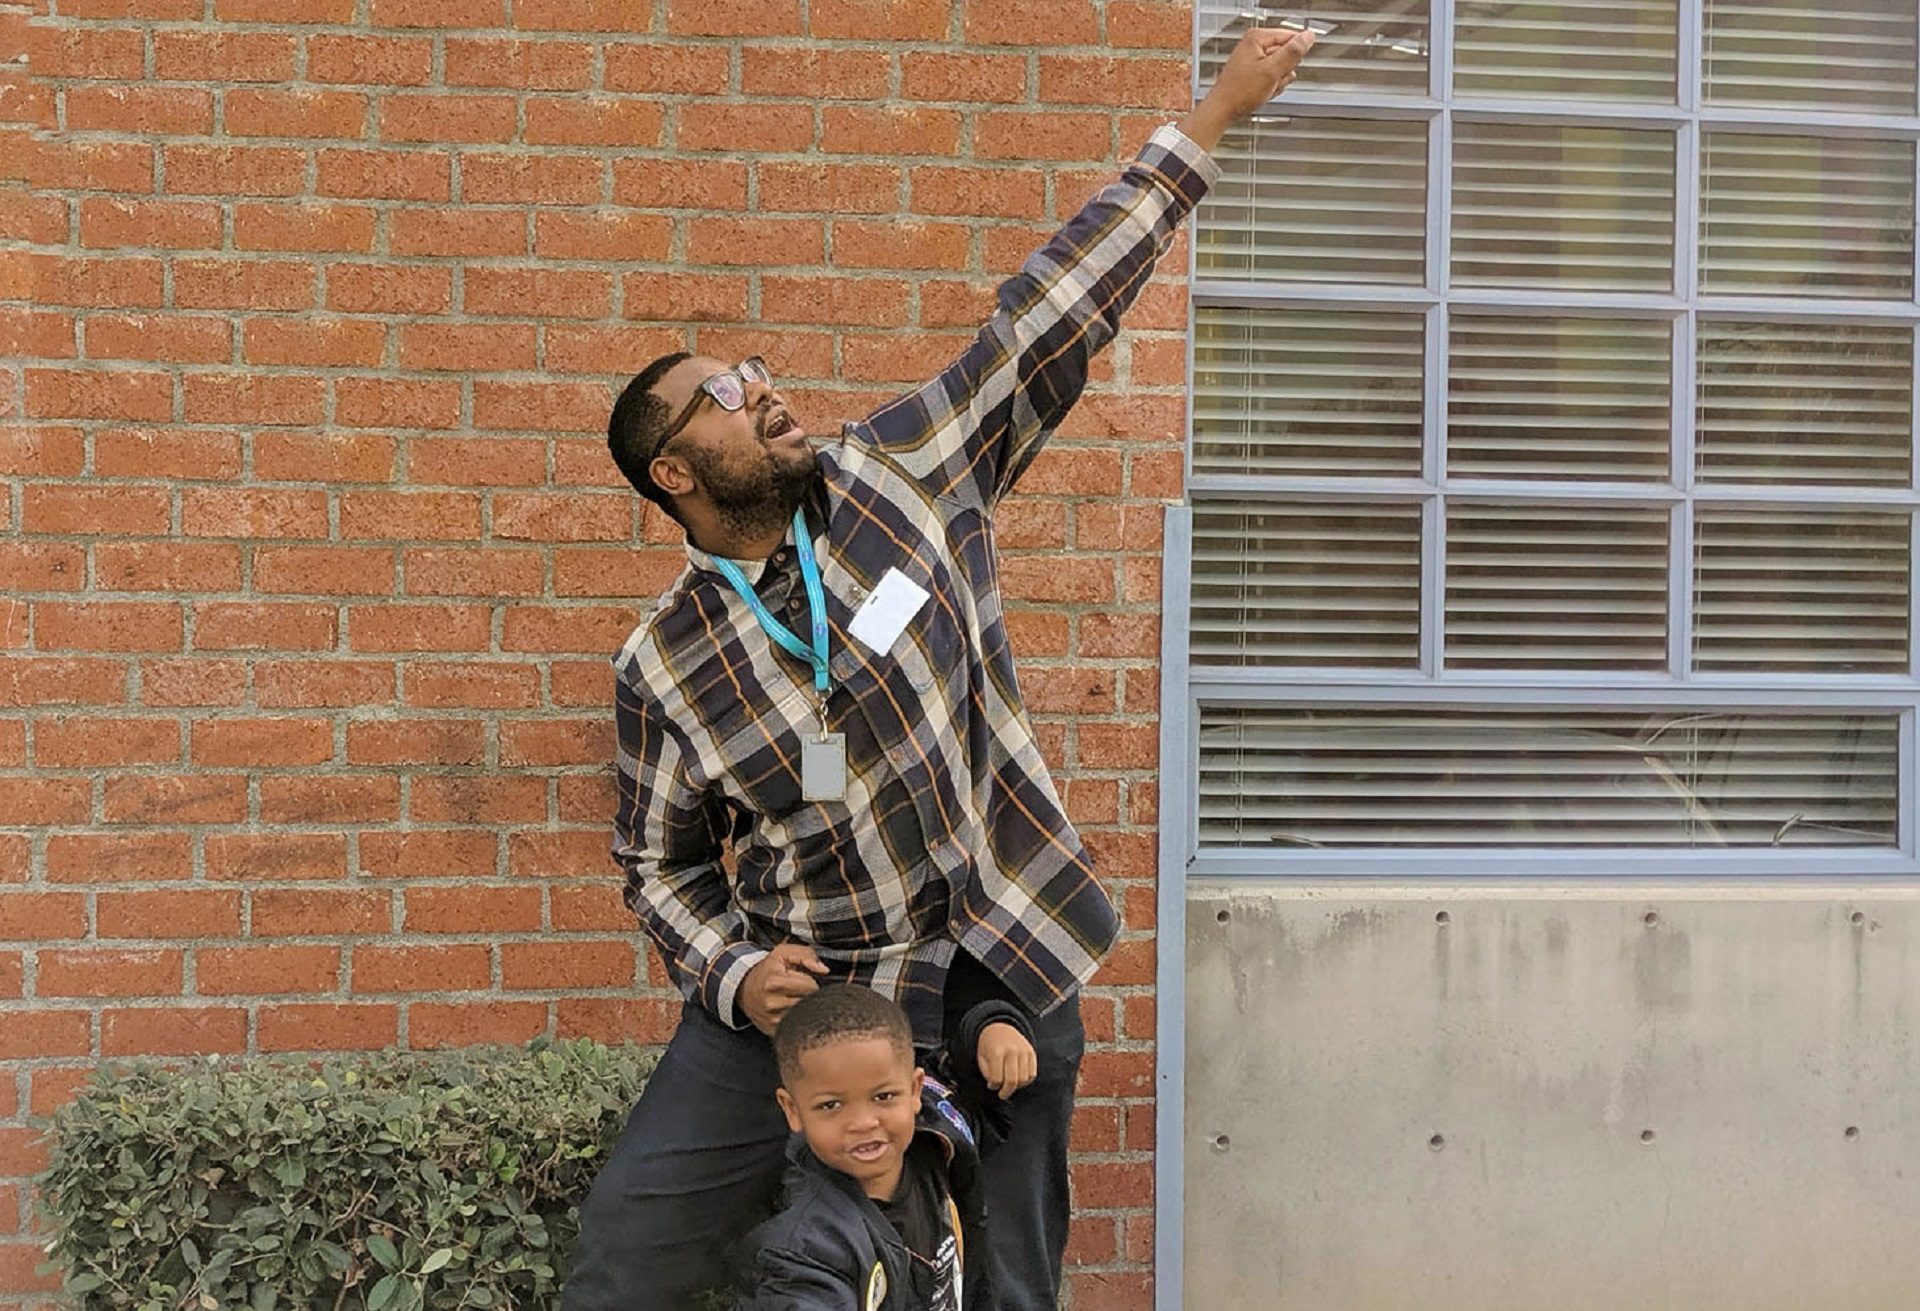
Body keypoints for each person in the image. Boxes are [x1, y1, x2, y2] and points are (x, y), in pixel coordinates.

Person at [563, 25, 1316, 1311]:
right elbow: (656, 865)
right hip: (811, 1004)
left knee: (1007, 1283)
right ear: (675, 476)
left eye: (753, 372)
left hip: (993, 952)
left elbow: (1048, 318)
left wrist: (1213, 115)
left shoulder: (905, 476)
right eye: (721, 397)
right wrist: (735, 974)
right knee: (625, 1263)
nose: (761, 391)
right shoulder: (666, 662)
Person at [736, 984, 1037, 1311]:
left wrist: (991, 1024)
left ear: (914, 1090)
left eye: (882, 1097)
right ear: (792, 1109)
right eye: (832, 1105)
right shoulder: (804, 1249)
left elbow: (979, 1090)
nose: (863, 1122)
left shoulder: (936, 1141)